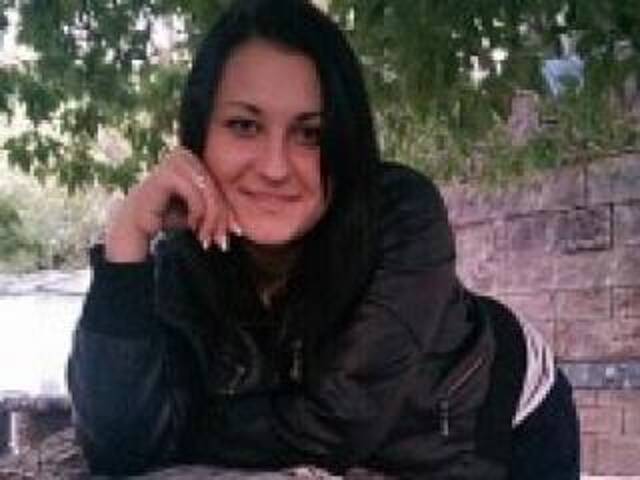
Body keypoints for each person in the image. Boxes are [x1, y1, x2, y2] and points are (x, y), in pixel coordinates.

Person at [66, 0, 580, 478]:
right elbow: (120, 449)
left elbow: (334, 424)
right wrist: (126, 246)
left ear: (344, 142)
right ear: (200, 137)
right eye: (244, 125)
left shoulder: (401, 214)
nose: (274, 167)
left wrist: (179, 435)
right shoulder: (183, 261)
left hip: (500, 418)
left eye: (309, 134)